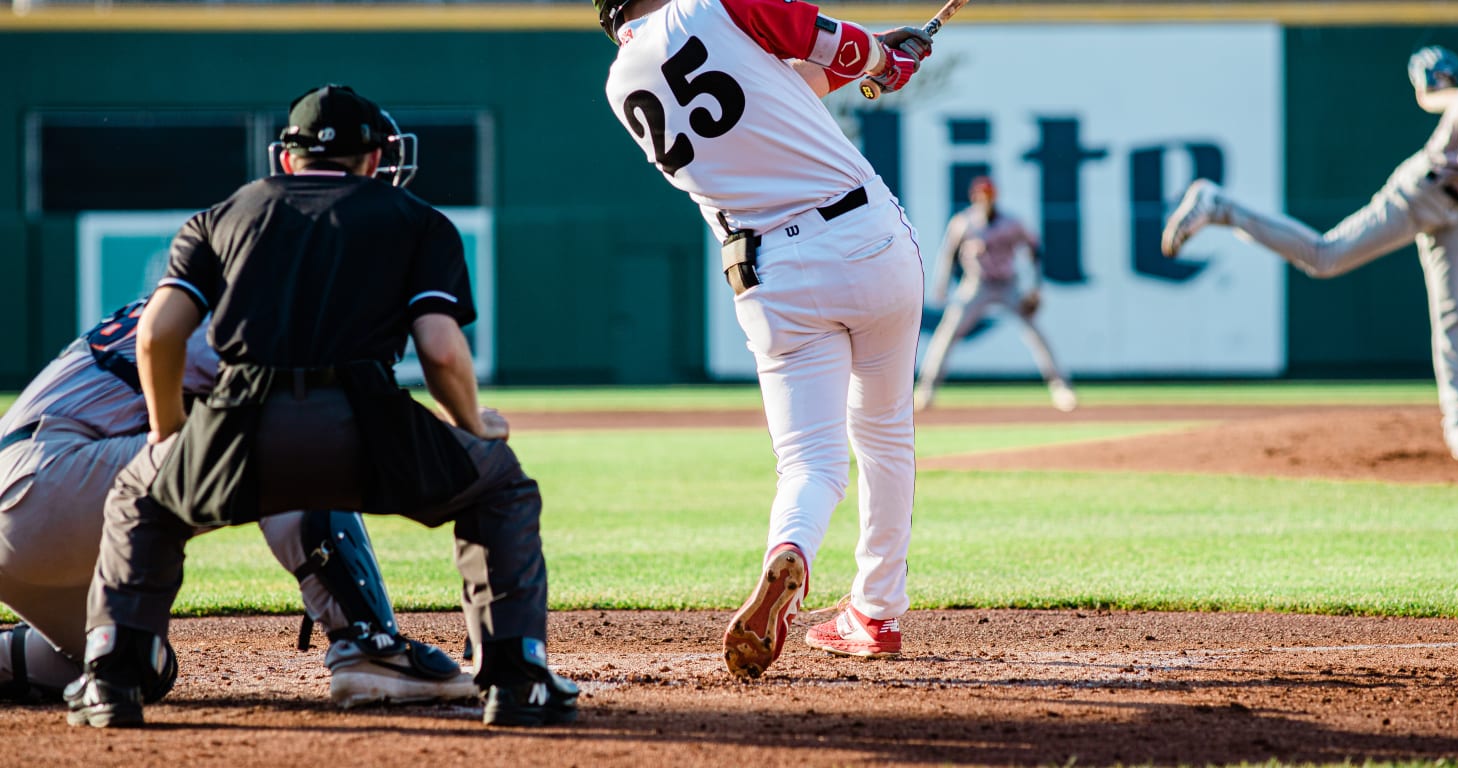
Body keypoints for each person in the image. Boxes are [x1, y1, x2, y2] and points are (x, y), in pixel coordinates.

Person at [64, 85, 576, 729]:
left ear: (286, 159)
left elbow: (158, 333)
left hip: (238, 425)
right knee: (499, 488)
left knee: (142, 498)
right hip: (366, 424)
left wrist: (169, 435)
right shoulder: (416, 217)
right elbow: (441, 351)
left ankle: (112, 678)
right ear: (372, 158)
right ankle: (516, 679)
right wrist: (475, 424)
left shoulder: (223, 214)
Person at [595, 0, 932, 677]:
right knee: (884, 431)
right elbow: (816, 34)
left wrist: (866, 62)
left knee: (809, 460)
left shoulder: (620, 84)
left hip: (768, 270)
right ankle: (875, 610)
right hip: (864, 238)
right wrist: (881, 60)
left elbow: (770, 93)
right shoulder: (706, 7)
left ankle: (792, 550)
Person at [0, 297, 476, 709]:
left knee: (138, 665)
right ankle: (370, 647)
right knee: (292, 434)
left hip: (31, 503)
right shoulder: (242, 310)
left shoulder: (191, 298)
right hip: (51, 479)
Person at [1161, 7, 1458, 461]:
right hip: (1422, 193)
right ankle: (1220, 206)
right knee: (1325, 256)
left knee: (1454, 313)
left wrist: (1430, 96)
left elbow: (1457, 103)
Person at [915, 175, 1078, 414]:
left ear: (995, 196)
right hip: (976, 284)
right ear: (974, 197)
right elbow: (948, 254)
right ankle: (926, 390)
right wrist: (942, 286)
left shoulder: (1012, 222)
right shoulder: (964, 222)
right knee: (947, 334)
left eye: (989, 195)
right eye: (981, 195)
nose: (986, 199)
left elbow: (1034, 250)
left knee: (1036, 334)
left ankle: (1060, 388)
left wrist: (1035, 287)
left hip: (1007, 284)